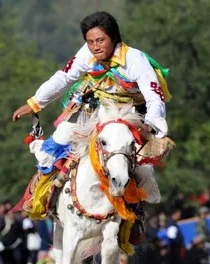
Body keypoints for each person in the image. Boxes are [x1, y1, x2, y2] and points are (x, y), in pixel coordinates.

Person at [12, 11, 171, 205]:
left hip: (129, 113)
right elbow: (64, 77)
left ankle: (136, 216)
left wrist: (152, 123)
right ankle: (46, 197)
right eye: (90, 41)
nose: (95, 47)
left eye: (100, 40)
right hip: (96, 107)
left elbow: (154, 96)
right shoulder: (86, 55)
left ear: (113, 38)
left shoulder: (135, 60)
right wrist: (35, 102)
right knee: (52, 148)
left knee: (143, 170)